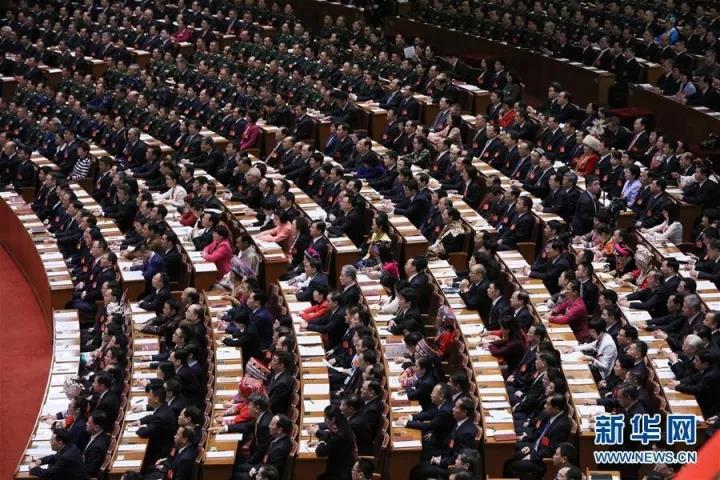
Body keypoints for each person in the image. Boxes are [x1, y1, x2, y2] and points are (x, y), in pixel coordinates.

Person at [136, 386, 178, 471]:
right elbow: (152, 417)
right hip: (164, 445)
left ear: (156, 399)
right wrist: (140, 421)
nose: (148, 398)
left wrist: (140, 427)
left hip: (159, 452)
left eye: (150, 396)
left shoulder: (160, 417)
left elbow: (143, 433)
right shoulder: (164, 408)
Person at [314, 406, 357, 480]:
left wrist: (321, 442)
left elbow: (320, 452)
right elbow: (331, 436)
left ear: (333, 419)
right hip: (347, 465)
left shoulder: (339, 437)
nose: (325, 421)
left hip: (339, 473)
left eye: (326, 418)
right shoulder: (345, 426)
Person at [82, 410, 110, 477]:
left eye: (89, 423)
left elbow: (90, 471)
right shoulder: (99, 435)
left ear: (96, 427)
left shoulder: (97, 448)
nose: (86, 424)